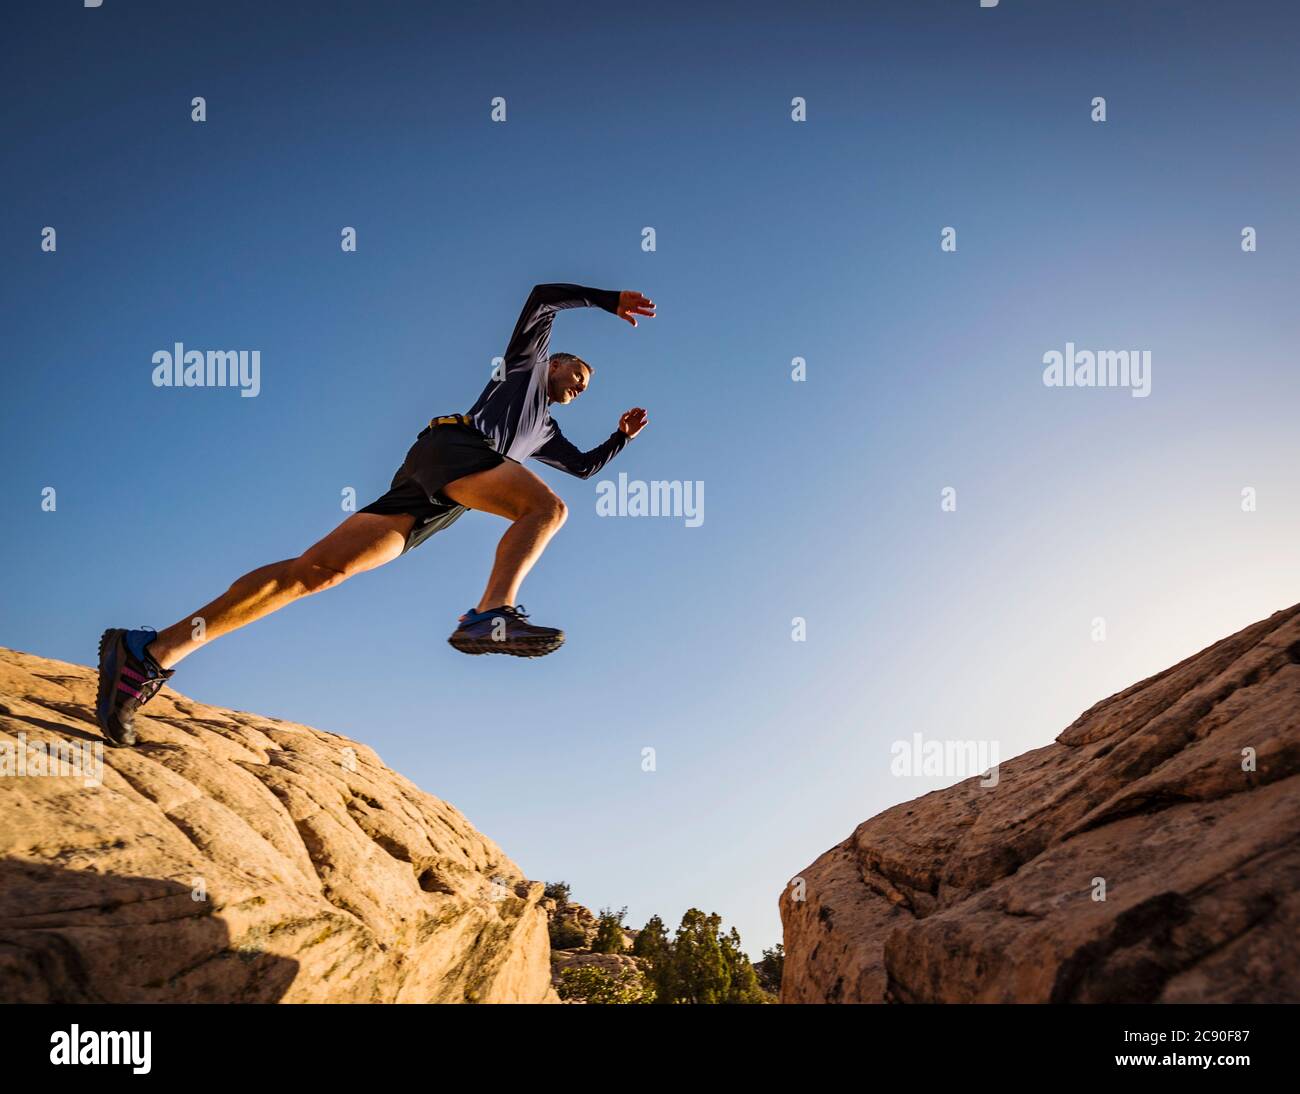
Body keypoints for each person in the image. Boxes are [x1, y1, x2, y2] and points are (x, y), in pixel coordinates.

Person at [96, 282, 654, 746]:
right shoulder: (525, 368)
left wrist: (620, 439)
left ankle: (148, 652)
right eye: (576, 375)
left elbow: (582, 467)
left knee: (315, 573)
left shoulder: (545, 432)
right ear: (554, 363)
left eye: (584, 389)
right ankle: (491, 613)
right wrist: (606, 300)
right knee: (546, 509)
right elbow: (543, 297)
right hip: (457, 451)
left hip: (441, 494)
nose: (578, 388)